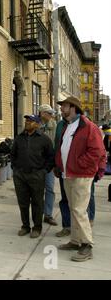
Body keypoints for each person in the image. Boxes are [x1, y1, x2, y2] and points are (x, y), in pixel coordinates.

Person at [54, 96, 106, 262]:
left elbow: (97, 152)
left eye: (64, 106)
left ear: (73, 107)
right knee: (73, 208)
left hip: (81, 175)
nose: (61, 109)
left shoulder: (89, 127)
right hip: (68, 174)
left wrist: (78, 164)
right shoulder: (67, 126)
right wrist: (59, 165)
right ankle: (76, 241)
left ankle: (86, 245)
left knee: (79, 210)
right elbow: (63, 148)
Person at [11, 115, 55, 238]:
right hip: (20, 175)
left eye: (30, 121)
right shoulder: (19, 138)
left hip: (37, 175)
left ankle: (37, 227)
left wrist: (44, 171)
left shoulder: (44, 139)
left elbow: (51, 157)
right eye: (26, 121)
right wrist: (15, 169)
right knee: (23, 202)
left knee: (37, 202)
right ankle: (25, 226)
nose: (27, 123)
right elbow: (13, 154)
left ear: (37, 124)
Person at [38, 104, 58, 226]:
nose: (51, 115)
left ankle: (48, 215)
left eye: (51, 113)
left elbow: (56, 143)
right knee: (37, 190)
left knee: (49, 189)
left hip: (49, 163)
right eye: (49, 113)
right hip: (36, 163)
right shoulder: (34, 123)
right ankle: (37, 213)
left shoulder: (54, 125)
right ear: (42, 113)